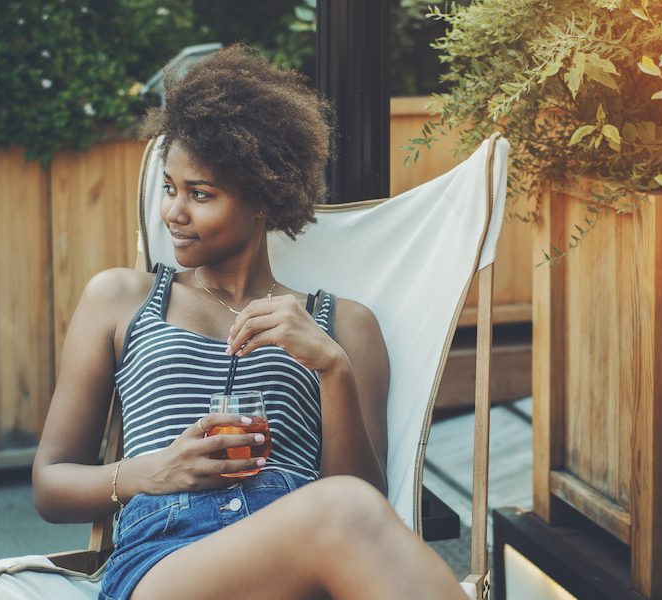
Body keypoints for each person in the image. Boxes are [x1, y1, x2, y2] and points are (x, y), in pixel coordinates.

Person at [32, 43, 467, 600]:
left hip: (302, 559)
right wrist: (155, 471)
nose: (173, 212)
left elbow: (366, 504)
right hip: (167, 559)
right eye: (170, 187)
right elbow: (50, 485)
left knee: (346, 510)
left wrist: (331, 368)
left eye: (200, 194)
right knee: (340, 512)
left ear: (263, 199)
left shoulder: (344, 327)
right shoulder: (122, 300)